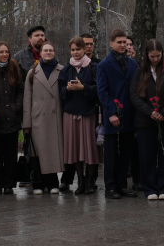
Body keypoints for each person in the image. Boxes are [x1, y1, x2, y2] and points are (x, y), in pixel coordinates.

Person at [132, 40, 164, 199]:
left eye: (158, 56)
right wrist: (150, 112)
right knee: (147, 155)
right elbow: (134, 96)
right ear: (146, 56)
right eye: (152, 56)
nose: (155, 59)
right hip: (145, 121)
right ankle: (150, 188)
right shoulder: (139, 73)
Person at [95, 29, 139, 199]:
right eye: (119, 42)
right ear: (111, 44)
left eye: (125, 42)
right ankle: (110, 186)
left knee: (126, 152)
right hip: (112, 115)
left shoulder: (133, 64)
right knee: (112, 152)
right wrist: (112, 113)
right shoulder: (104, 65)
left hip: (129, 114)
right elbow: (102, 91)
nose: (123, 45)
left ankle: (122, 184)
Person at [21, 39, 65, 194]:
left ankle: (53, 182)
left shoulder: (62, 70)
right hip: (38, 118)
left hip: (55, 117)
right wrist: (26, 123)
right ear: (40, 54)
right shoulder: (32, 72)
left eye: (50, 50)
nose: (48, 53)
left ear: (54, 53)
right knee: (38, 151)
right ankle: (37, 182)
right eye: (45, 50)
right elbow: (27, 99)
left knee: (52, 151)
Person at [57, 37, 100, 194]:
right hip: (70, 114)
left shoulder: (93, 67)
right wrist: (67, 90)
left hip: (88, 114)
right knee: (74, 150)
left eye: (78, 49)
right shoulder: (66, 70)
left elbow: (98, 91)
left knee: (89, 150)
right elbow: (60, 94)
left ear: (84, 50)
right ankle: (80, 181)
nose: (75, 52)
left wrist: (84, 88)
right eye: (73, 50)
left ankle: (90, 181)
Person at [0, 43, 26, 196]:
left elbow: (20, 89)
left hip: (12, 116)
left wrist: (16, 106)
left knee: (11, 153)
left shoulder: (14, 67)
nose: (4, 54)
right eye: (1, 52)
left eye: (7, 52)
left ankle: (9, 184)